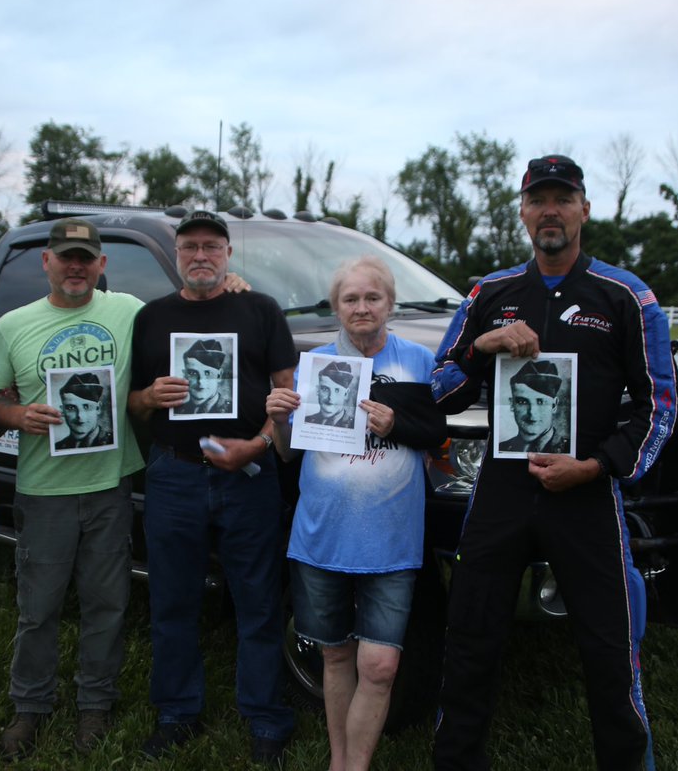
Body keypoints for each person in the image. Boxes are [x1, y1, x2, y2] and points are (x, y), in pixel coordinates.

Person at [430, 155, 677, 771]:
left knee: (609, 646)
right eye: (538, 199)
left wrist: (597, 467)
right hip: (503, 490)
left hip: (587, 490)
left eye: (562, 199)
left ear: (583, 210)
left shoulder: (626, 295)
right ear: (522, 211)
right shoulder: (490, 293)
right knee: (470, 636)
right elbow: (439, 390)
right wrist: (483, 346)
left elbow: (660, 404)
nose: (550, 210)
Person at [129, 209, 297, 765]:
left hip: (249, 475)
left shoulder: (260, 309)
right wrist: (151, 398)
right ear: (177, 256)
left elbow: (286, 393)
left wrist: (258, 443)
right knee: (172, 601)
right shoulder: (152, 318)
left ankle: (266, 718)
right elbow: (130, 401)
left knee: (257, 600)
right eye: (189, 247)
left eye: (211, 246)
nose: (200, 255)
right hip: (174, 473)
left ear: (228, 254)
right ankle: (177, 713)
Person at [266, 255, 446, 771]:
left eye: (372, 298)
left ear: (390, 303)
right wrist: (278, 421)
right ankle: (342, 763)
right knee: (336, 655)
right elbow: (286, 454)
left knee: (382, 664)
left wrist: (397, 426)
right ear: (336, 306)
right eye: (351, 299)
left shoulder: (417, 361)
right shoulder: (313, 365)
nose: (362, 308)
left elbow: (435, 435)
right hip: (322, 536)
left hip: (391, 540)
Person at [0, 218, 145, 759]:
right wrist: (16, 414)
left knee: (107, 603)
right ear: (46, 263)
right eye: (65, 257)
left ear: (101, 266)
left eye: (86, 258)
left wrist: (234, 284)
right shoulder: (12, 326)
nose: (75, 266)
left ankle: (94, 706)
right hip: (43, 489)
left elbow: (191, 307)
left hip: (109, 486)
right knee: (39, 607)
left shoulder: (126, 310)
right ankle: (29, 708)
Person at [496, 359, 569, 453]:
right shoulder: (501, 449)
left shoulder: (570, 451)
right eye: (522, 402)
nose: (532, 413)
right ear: (511, 404)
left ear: (554, 405)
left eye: (541, 402)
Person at [55, 371, 113, 449]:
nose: (80, 416)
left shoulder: (111, 441)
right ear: (62, 411)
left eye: (87, 407)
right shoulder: (58, 447)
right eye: (71, 408)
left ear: (98, 408)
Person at [177, 338, 233, 414]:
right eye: (193, 373)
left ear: (219, 375)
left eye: (208, 373)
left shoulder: (232, 410)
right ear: (185, 375)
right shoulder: (178, 411)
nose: (201, 382)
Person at [303, 360, 357, 427]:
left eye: (337, 390)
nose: (331, 398)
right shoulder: (306, 421)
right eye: (325, 389)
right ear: (317, 390)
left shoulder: (354, 426)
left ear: (346, 394)